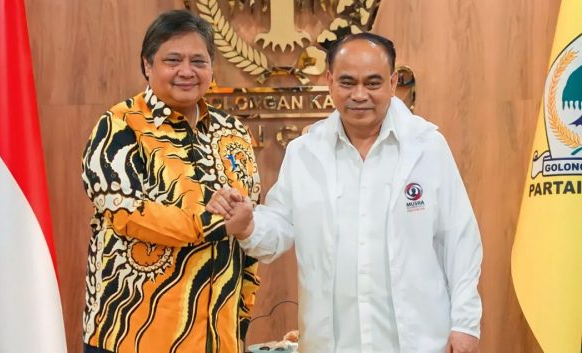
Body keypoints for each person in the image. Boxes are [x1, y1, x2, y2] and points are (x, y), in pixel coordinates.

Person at [207, 33, 483, 353]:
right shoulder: (305, 153)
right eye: (347, 82)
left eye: (373, 83)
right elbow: (279, 228)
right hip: (333, 344)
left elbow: (460, 240)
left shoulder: (427, 146)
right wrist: (247, 225)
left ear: (393, 83)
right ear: (330, 81)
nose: (359, 95)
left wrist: (465, 325)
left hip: (419, 341)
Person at [81, 10, 260, 353]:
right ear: (147, 65)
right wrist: (213, 222)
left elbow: (247, 224)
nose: (187, 71)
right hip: (132, 334)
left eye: (198, 61)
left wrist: (241, 319)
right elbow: (127, 213)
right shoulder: (120, 125)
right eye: (172, 60)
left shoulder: (233, 131)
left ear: (212, 68)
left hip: (218, 337)